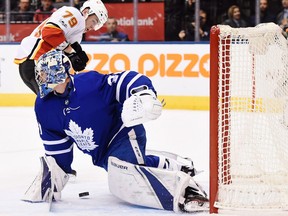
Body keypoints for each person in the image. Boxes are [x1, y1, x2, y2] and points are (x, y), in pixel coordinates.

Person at [22, 49, 209, 213]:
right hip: (101, 153)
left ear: (59, 73)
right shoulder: (43, 106)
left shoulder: (89, 84)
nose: (41, 79)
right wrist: (54, 174)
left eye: (45, 74)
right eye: (41, 75)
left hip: (123, 133)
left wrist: (142, 92)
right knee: (124, 168)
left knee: (125, 179)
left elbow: (124, 79)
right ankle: (178, 166)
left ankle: (187, 192)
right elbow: (57, 147)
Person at [14, 0, 108, 94]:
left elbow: (62, 46)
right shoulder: (76, 15)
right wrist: (70, 51)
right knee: (54, 101)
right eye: (94, 21)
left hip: (36, 62)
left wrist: (74, 57)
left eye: (97, 25)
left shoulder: (77, 31)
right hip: (35, 58)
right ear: (86, 12)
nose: (93, 27)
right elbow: (49, 32)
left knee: (54, 101)